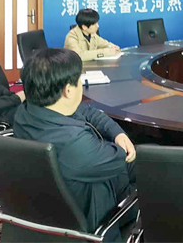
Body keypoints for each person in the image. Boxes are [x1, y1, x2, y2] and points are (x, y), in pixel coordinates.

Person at [14, 48, 137, 241]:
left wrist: (117, 132)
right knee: (159, 172)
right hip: (101, 213)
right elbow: (121, 158)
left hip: (53, 205)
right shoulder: (75, 144)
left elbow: (87, 111)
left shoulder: (26, 112)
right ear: (69, 90)